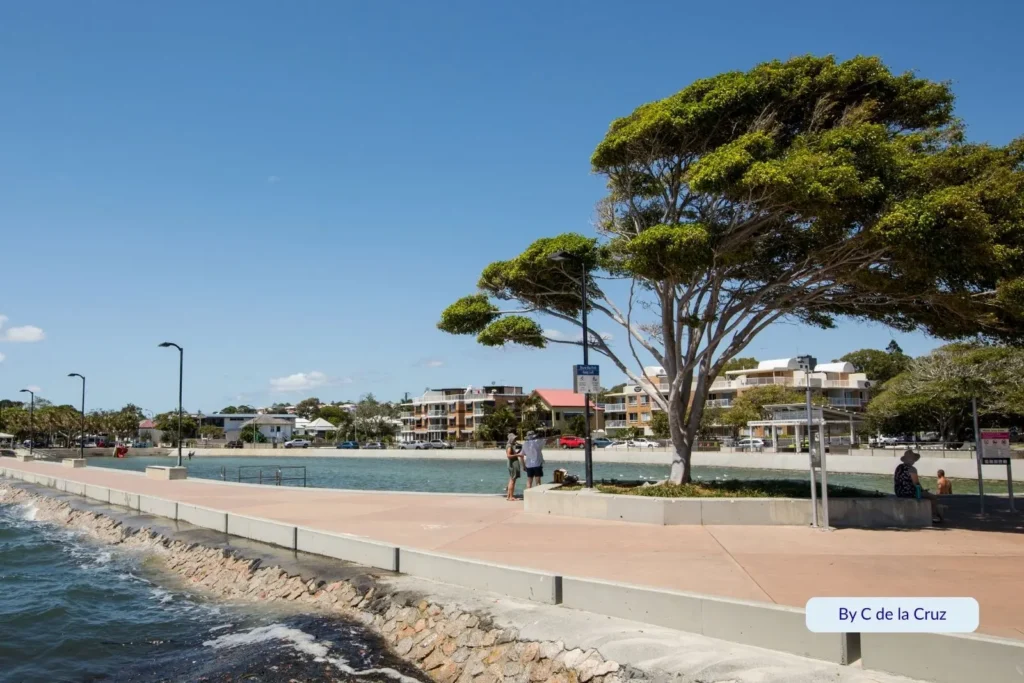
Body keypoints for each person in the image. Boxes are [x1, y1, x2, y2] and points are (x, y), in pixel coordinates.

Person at [894, 450, 942, 523]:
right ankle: (934, 516)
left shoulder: (899, 467)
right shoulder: (912, 469)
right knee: (933, 497)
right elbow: (916, 483)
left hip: (898, 492)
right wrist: (923, 491)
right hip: (909, 492)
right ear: (913, 460)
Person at [505, 433, 523, 501]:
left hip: (511, 463)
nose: (515, 440)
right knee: (513, 480)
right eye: (514, 439)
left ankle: (508, 496)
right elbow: (509, 455)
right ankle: (511, 497)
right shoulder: (509, 446)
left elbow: (512, 454)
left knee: (511, 479)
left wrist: (517, 453)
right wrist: (518, 455)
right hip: (512, 464)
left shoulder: (510, 445)